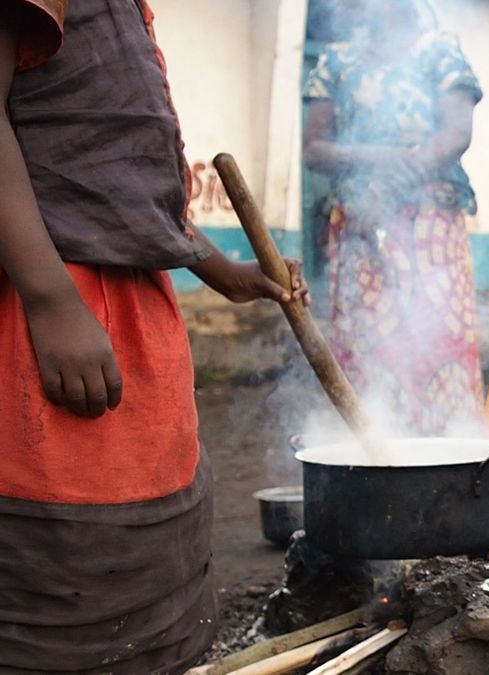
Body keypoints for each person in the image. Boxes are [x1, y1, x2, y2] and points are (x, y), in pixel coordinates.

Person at [0, 2, 309, 671]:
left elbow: (120, 189)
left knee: (156, 598)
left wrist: (227, 272)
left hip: (136, 325)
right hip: (53, 316)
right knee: (62, 600)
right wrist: (51, 300)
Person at [304, 0, 486, 435]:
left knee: (437, 337)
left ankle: (452, 455)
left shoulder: (439, 51)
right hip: (358, 226)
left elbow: (457, 134)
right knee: (367, 342)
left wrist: (384, 187)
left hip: (429, 225)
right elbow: (314, 148)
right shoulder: (336, 61)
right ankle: (375, 453)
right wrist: (380, 158)